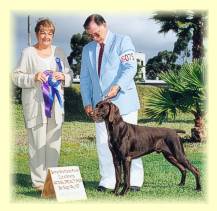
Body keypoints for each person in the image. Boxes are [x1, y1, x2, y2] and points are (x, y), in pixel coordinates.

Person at [80, 14, 144, 192]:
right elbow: (85, 79)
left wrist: (117, 86)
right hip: (100, 107)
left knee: (132, 143)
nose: (94, 38)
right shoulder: (87, 50)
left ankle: (135, 180)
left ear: (104, 25)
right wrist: (87, 102)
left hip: (124, 101)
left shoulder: (123, 41)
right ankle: (107, 180)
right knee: (103, 142)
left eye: (97, 33)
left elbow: (130, 68)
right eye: (90, 35)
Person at [12, 18, 73, 191]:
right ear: (37, 33)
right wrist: (33, 77)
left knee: (54, 143)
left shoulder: (59, 51)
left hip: (56, 105)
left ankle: (51, 179)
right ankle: (39, 181)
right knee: (37, 143)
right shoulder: (27, 53)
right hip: (35, 105)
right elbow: (16, 76)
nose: (46, 36)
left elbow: (68, 73)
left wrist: (64, 77)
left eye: (50, 33)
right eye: (43, 32)